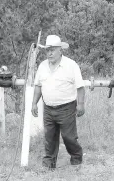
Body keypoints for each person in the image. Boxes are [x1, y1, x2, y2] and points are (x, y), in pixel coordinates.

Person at [31, 35, 85, 168]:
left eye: (53, 50)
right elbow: (38, 86)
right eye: (47, 50)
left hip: (67, 107)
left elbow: (80, 87)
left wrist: (81, 104)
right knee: (49, 138)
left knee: (69, 137)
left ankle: (76, 159)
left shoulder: (71, 65)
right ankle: (48, 165)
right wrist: (34, 103)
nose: (49, 53)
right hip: (48, 108)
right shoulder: (43, 66)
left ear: (60, 50)